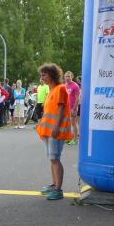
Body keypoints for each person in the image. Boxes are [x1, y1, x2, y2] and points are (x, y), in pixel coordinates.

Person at [35, 63, 72, 200]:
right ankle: (54, 184)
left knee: (55, 159)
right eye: (41, 75)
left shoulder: (60, 89)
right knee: (52, 159)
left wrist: (56, 128)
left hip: (55, 131)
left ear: (52, 75)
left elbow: (62, 110)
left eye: (44, 75)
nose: (42, 77)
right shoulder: (52, 90)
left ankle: (58, 189)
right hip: (48, 131)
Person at [65, 71, 81, 145]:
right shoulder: (65, 85)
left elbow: (77, 98)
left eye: (69, 76)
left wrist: (74, 108)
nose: (67, 78)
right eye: (66, 76)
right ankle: (69, 138)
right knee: (68, 124)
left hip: (73, 108)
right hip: (66, 108)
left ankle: (75, 140)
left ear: (72, 76)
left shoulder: (75, 85)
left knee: (73, 124)